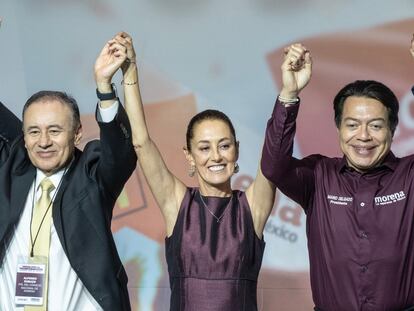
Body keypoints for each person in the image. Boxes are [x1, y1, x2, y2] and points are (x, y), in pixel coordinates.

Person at [111, 32, 276, 310]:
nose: (215, 156)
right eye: (204, 148)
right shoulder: (177, 203)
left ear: (236, 150)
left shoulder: (253, 206)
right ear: (189, 155)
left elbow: (276, 155)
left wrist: (288, 96)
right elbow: (141, 142)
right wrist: (130, 71)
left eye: (224, 146)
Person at [260, 37, 414, 311]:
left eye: (376, 126)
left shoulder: (409, 175)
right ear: (338, 128)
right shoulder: (319, 175)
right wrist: (289, 93)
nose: (363, 136)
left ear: (392, 129)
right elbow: (274, 166)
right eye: (352, 124)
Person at [0, 35, 136, 310]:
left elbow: (120, 151)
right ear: (23, 138)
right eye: (34, 131)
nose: (44, 142)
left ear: (77, 133)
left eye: (54, 130)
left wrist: (104, 86)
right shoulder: (10, 169)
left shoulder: (91, 175)